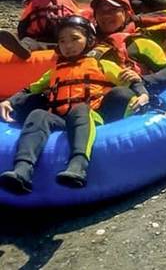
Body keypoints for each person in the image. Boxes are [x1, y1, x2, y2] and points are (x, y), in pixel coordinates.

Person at [0, 16, 147, 193]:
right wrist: (9, 101)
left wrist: (143, 94)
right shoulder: (55, 71)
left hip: (93, 116)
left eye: (75, 39)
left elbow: (130, 80)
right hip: (61, 119)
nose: (68, 45)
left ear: (89, 40)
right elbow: (29, 89)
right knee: (38, 114)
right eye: (62, 41)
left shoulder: (101, 64)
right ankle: (22, 170)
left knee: (80, 109)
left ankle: (78, 166)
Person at [89, 0, 166, 95]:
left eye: (113, 10)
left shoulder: (139, 43)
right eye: (101, 11)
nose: (106, 15)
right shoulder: (87, 44)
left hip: (137, 98)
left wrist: (142, 80)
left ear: (126, 14)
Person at [0, 0, 79, 60]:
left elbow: (79, 20)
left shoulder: (67, 0)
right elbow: (24, 21)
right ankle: (23, 49)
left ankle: (64, 52)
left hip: (61, 38)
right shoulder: (34, 2)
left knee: (66, 44)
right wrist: (21, 36)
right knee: (28, 41)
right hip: (38, 38)